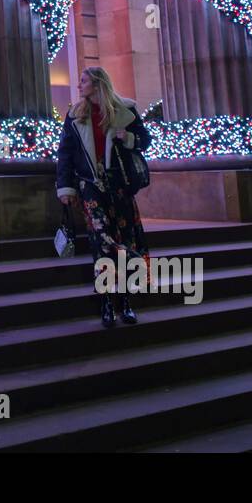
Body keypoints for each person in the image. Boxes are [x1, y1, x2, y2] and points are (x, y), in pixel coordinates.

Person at [55, 66, 151, 328]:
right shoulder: (75, 115)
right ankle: (106, 301)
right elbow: (65, 154)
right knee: (101, 243)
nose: (79, 85)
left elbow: (146, 140)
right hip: (91, 187)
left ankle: (126, 300)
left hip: (119, 186)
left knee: (124, 241)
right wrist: (65, 188)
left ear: (97, 84)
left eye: (84, 81)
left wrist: (128, 137)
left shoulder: (125, 110)